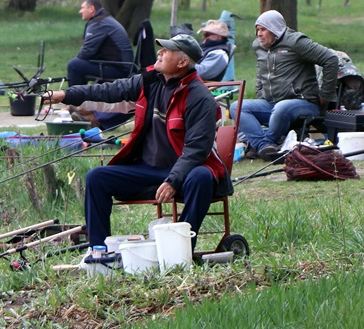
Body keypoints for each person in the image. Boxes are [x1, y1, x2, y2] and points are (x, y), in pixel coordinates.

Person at [44, 34, 231, 249]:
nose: (159, 52)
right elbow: (108, 90)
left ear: (182, 62)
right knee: (96, 177)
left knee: (201, 177)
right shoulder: (149, 81)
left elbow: (197, 149)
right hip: (148, 170)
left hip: (185, 173)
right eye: (162, 48)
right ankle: (100, 251)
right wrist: (64, 94)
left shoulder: (200, 98)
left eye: (167, 50)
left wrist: (173, 180)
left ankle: (182, 248)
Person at [229, 10, 338, 161]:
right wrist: (260, 94)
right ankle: (264, 146)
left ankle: (263, 145)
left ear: (275, 29)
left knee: (282, 107)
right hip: (272, 104)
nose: (259, 34)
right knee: (237, 106)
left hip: (304, 103)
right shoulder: (258, 46)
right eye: (257, 29)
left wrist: (326, 95)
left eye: (263, 29)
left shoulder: (296, 42)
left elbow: (331, 59)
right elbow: (260, 73)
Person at [66, 0, 133, 87]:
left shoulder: (98, 23)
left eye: (82, 8)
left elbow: (86, 52)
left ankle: (76, 95)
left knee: (74, 65)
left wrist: (77, 58)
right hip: (123, 66)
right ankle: (84, 93)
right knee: (78, 63)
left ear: (91, 8)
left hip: (119, 69)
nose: (80, 11)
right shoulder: (104, 20)